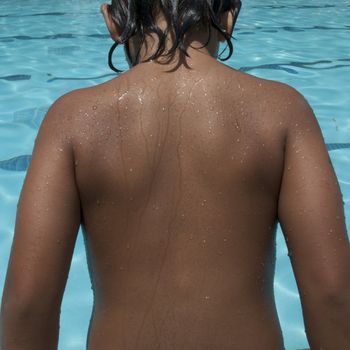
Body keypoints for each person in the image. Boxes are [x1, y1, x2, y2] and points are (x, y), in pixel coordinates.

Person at [1, 0, 349, 349]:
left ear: (112, 22)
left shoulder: (73, 120)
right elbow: (333, 294)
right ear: (230, 17)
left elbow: (29, 305)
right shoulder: (281, 112)